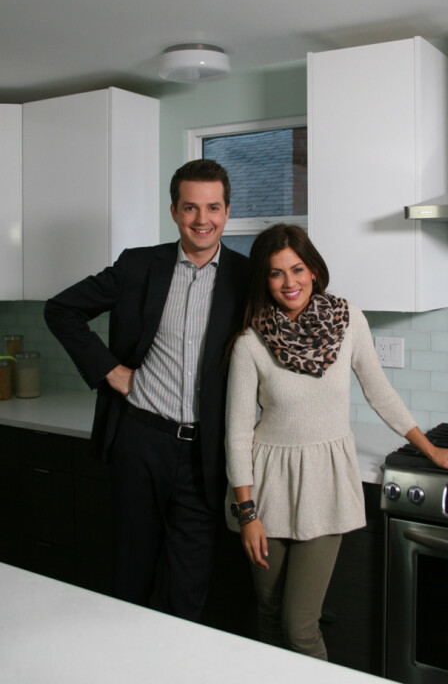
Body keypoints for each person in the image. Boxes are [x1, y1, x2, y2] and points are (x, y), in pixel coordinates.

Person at [224, 223, 448, 661]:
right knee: (268, 617)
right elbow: (237, 433)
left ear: (314, 270)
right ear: (264, 279)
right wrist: (247, 513)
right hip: (267, 489)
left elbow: (379, 392)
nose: (289, 282)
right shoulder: (250, 343)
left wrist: (430, 448)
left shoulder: (347, 321)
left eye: (297, 269)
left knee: (299, 626)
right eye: (276, 273)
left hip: (326, 485)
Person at [44, 159, 249, 621]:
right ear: (174, 211)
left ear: (227, 211)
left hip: (205, 457)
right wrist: (111, 371)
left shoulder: (247, 277)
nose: (202, 219)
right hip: (139, 442)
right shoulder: (138, 266)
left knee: (188, 592)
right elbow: (60, 310)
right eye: (190, 207)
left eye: (212, 207)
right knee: (130, 579)